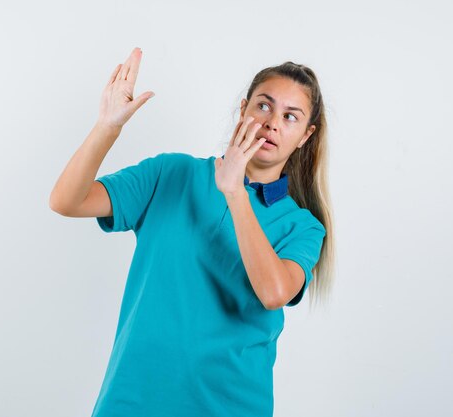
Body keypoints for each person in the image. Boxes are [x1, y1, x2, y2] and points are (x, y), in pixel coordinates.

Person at [49, 47, 335, 417]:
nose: (272, 122)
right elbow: (66, 201)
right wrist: (108, 127)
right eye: (264, 106)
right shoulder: (172, 174)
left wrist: (235, 191)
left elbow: (274, 293)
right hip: (132, 402)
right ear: (244, 109)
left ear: (305, 136)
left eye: (290, 117)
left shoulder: (303, 226)